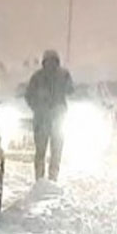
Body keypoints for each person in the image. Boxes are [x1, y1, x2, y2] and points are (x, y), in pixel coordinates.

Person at [25, 50, 75, 181]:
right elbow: (71, 91)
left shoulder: (41, 76)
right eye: (49, 61)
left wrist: (37, 107)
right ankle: (48, 178)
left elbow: (28, 95)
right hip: (48, 119)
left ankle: (44, 178)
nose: (51, 64)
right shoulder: (60, 75)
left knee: (48, 152)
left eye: (53, 61)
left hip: (50, 119)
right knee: (50, 151)